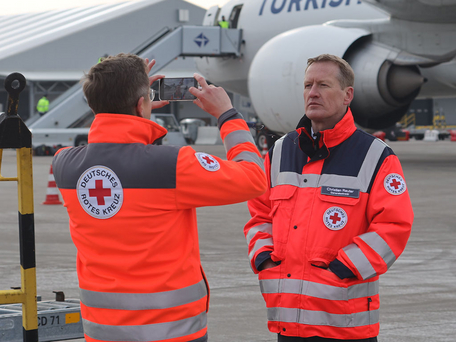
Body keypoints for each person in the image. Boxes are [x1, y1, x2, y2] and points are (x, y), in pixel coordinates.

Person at [52, 53, 267, 342]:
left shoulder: (64, 165)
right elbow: (254, 178)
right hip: (171, 331)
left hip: (102, 330)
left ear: (93, 103)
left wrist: (135, 111)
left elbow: (126, 158)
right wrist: (228, 115)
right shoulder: (171, 165)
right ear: (142, 103)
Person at [244, 54, 413, 342]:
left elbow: (393, 227)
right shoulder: (280, 152)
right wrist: (264, 259)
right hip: (288, 321)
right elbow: (260, 216)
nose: (312, 93)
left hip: (345, 322)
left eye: (323, 85)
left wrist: (342, 269)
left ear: (348, 95)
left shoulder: (376, 156)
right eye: (308, 85)